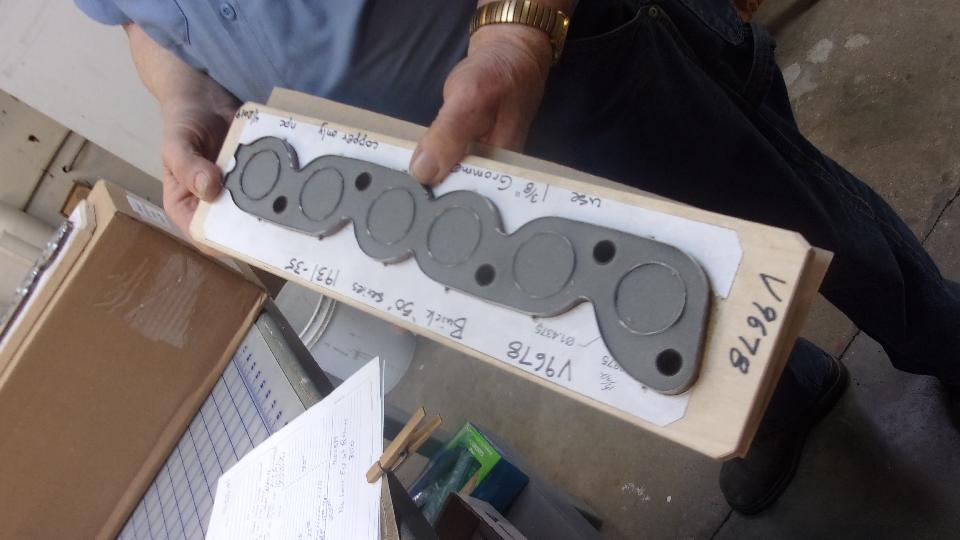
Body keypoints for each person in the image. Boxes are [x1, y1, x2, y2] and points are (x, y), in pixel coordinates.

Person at [76, 0, 959, 515]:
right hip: (405, 174)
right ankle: (780, 398)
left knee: (781, 220)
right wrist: (185, 100)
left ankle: (942, 337)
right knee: (623, 314)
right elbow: (142, 22)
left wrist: (516, 30)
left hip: (568, 53)